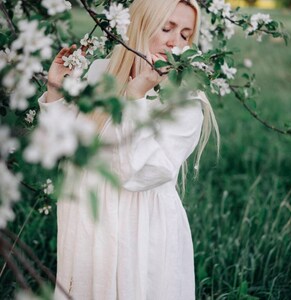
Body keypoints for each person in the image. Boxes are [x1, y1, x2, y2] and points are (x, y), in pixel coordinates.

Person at [38, 0, 219, 299]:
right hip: (87, 218)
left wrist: (135, 98)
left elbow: (135, 173)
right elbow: (67, 149)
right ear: (138, 26)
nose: (176, 42)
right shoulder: (101, 73)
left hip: (139, 229)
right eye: (167, 27)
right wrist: (56, 88)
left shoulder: (185, 103)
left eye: (186, 34)